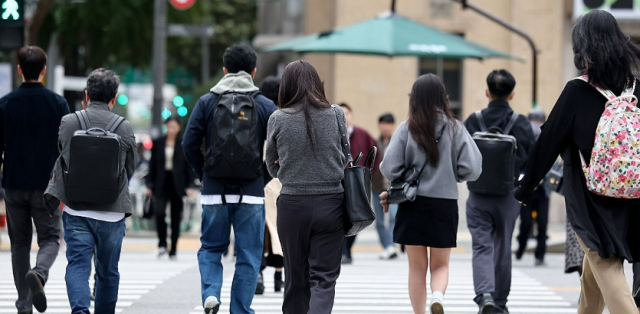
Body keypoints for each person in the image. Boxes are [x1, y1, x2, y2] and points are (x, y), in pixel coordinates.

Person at [515, 10, 640, 314]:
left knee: (605, 265)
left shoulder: (578, 90)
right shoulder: (635, 88)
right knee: (593, 276)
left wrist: (525, 186)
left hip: (589, 197)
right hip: (631, 193)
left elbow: (548, 142)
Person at [182, 44, 276, 314]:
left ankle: (211, 294)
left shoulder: (207, 102)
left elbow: (189, 145)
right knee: (248, 254)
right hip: (251, 190)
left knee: (211, 248)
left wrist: (205, 174)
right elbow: (278, 149)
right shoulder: (264, 104)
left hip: (214, 190)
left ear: (224, 70)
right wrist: (263, 176)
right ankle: (240, 310)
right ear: (254, 72)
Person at [379, 74, 482, 314]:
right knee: (441, 265)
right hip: (444, 203)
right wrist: (453, 173)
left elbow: (388, 167)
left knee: (416, 267)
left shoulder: (407, 127)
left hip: (412, 203)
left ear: (414, 99)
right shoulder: (455, 127)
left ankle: (420, 313)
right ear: (442, 97)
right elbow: (473, 168)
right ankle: (437, 296)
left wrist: (406, 172)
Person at [44, 68, 136, 314]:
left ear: (86, 95)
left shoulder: (68, 122)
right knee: (108, 272)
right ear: (113, 98)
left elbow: (64, 156)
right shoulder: (124, 127)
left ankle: (80, 310)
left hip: (76, 209)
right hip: (112, 213)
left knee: (77, 266)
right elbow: (130, 167)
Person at [265, 60, 347, 314]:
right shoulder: (336, 113)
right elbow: (346, 155)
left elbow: (270, 163)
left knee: (295, 277)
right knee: (323, 278)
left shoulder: (277, 118)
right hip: (331, 203)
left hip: (292, 205)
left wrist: (289, 176)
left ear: (286, 86)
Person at [0, 46, 70, 314]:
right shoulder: (58, 104)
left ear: (19, 69)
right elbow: (65, 147)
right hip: (47, 185)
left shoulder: (5, 104)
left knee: (18, 244)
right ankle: (39, 273)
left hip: (14, 183)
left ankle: (23, 305)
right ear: (44, 71)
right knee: (51, 238)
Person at [464, 69, 535, 314]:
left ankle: (484, 296)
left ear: (487, 92)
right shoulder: (522, 123)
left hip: (478, 194)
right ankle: (501, 303)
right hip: (508, 196)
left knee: (481, 246)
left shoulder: (473, 121)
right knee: (503, 248)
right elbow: (530, 160)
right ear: (512, 94)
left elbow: (461, 156)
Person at [146, 116, 195, 259]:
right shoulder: (158, 143)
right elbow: (152, 165)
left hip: (178, 185)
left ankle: (173, 248)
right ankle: (162, 244)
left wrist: (190, 185)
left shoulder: (183, 144)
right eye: (169, 126)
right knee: (159, 213)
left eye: (174, 126)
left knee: (176, 217)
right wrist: (149, 184)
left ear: (179, 128)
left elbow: (188, 166)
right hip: (161, 183)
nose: (172, 129)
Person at [338, 102, 378, 265]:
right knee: (339, 217)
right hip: (338, 181)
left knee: (356, 215)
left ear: (352, 115)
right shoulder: (331, 133)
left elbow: (375, 152)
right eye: (341, 113)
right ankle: (343, 252)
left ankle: (348, 250)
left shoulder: (362, 134)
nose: (344, 117)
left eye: (346, 113)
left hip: (357, 182)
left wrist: (368, 174)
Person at [256, 76, 284, 294]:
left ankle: (258, 272)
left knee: (260, 228)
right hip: (282, 178)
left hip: (260, 178)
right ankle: (279, 276)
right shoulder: (285, 114)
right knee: (281, 227)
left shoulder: (257, 112)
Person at [515, 110, 550, 266]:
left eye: (539, 120)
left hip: (543, 189)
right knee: (526, 222)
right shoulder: (524, 138)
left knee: (542, 223)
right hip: (527, 187)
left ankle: (540, 254)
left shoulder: (548, 137)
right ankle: (521, 246)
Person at [372, 113, 399, 260]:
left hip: (393, 187)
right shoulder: (374, 142)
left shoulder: (397, 142)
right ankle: (387, 246)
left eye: (389, 123)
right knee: (380, 220)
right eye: (383, 123)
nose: (386, 126)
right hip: (376, 186)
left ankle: (391, 246)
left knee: (394, 216)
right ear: (379, 125)